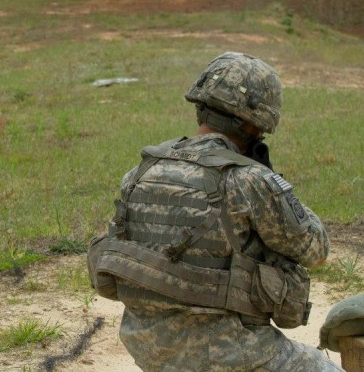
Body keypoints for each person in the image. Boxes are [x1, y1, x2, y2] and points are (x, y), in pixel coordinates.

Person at [88, 52, 344, 371]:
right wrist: (272, 181)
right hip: (228, 353)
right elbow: (315, 249)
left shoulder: (138, 173)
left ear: (200, 106)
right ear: (254, 122)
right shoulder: (249, 180)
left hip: (149, 349)